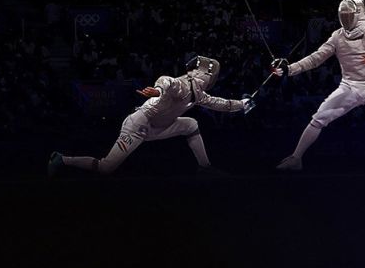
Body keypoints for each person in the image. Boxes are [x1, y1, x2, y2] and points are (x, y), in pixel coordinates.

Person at [48, 55, 253, 177]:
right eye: (208, 74)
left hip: (159, 127)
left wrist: (243, 104)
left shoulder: (198, 94)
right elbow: (166, 81)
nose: (210, 77)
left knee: (191, 124)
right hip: (138, 125)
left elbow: (221, 104)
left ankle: (204, 167)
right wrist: (158, 91)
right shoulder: (180, 85)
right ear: (197, 74)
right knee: (106, 168)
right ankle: (62, 160)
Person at [271, 0, 365, 172]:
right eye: (344, 14)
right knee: (318, 118)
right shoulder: (337, 36)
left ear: (360, 13)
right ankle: (296, 158)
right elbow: (316, 58)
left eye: (350, 13)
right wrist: (289, 69)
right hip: (349, 87)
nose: (346, 17)